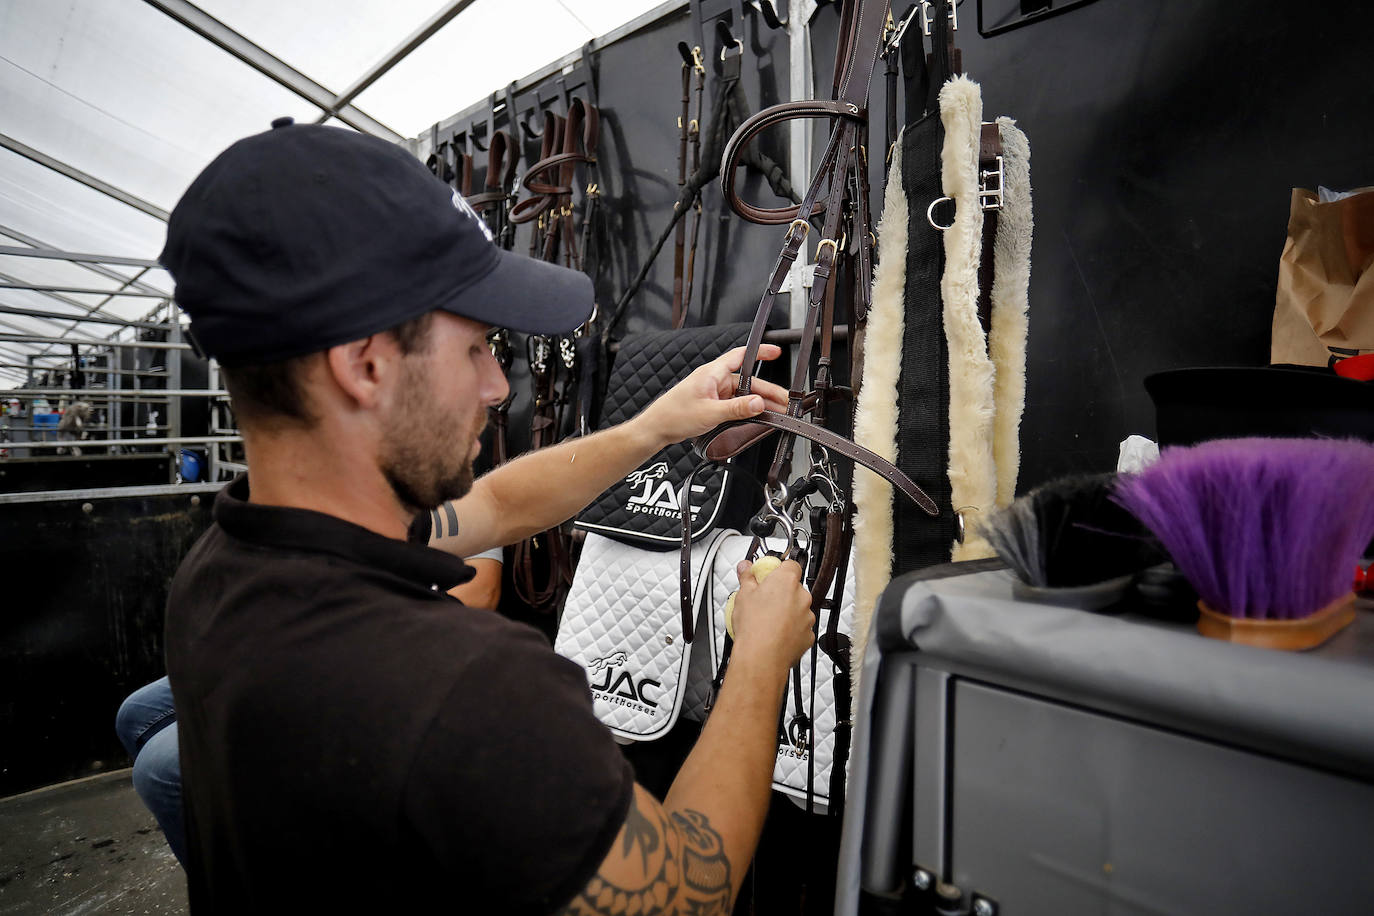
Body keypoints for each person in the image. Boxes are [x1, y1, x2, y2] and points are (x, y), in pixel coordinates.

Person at [158, 119, 812, 914]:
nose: (500, 387)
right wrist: (762, 656)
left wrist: (654, 427)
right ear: (365, 365)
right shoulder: (463, 686)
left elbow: (499, 505)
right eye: (474, 350)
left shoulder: (224, 571)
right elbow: (688, 890)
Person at [114, 539, 505, 867]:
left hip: (372, 653)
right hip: (304, 635)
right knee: (138, 714)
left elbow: (480, 593)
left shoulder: (455, 489)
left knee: (161, 769)